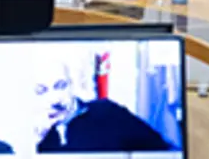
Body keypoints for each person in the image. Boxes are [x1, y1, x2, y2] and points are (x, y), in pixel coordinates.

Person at [34, 59, 175, 153]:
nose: (54, 99)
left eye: (61, 86)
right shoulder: (38, 135)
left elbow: (166, 151)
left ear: (72, 84)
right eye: (41, 91)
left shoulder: (108, 113)